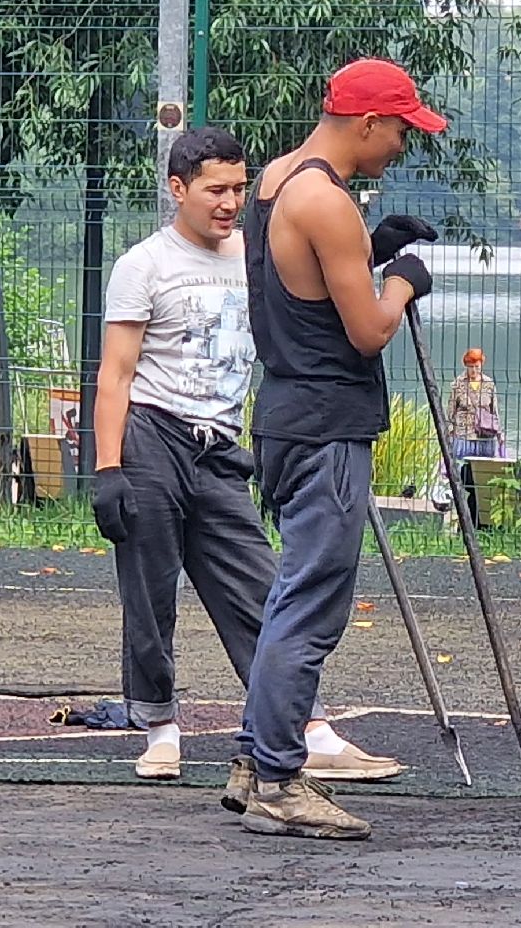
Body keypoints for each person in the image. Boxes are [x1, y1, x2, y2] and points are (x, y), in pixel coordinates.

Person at [89, 127, 392, 785]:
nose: (229, 202)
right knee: (149, 593)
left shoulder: (254, 254)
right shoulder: (145, 264)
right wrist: (108, 467)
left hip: (219, 445)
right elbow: (114, 374)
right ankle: (160, 726)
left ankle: (303, 725)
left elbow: (314, 286)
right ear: (178, 189)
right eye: (214, 190)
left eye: (237, 188)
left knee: (259, 585)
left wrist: (375, 253)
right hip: (152, 436)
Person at [229, 57, 444, 841]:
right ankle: (281, 780)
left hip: (284, 415)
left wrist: (369, 251)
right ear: (365, 123)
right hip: (325, 426)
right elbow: (367, 330)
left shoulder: (278, 180)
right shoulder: (328, 201)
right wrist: (405, 280)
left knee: (292, 595)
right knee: (312, 605)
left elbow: (307, 286)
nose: (402, 146)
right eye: (400, 130)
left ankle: (255, 763)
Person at [448, 347, 503, 460]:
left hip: (485, 436)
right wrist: (449, 430)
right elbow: (450, 411)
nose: (474, 370)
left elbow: (494, 411)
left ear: (481, 365)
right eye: (470, 367)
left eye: (477, 366)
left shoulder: (489, 384)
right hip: (463, 436)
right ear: (466, 366)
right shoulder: (457, 384)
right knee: (462, 470)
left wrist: (500, 433)